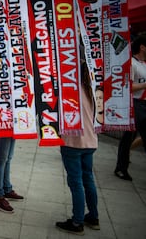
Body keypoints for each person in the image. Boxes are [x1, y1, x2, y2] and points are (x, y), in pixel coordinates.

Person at [56, 59, 100, 235]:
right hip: (91, 141)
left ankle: (77, 222)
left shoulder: (69, 91)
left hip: (73, 142)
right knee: (88, 179)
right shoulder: (91, 90)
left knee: (76, 182)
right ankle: (93, 217)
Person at [114, 35, 146, 181]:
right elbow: (129, 87)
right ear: (142, 47)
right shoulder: (132, 64)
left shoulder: (144, 64)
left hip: (143, 103)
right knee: (128, 137)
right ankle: (121, 167)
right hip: (135, 103)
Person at [0, 136, 24, 213]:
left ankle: (7, 189)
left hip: (12, 126)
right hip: (1, 126)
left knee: (8, 158)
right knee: (0, 159)